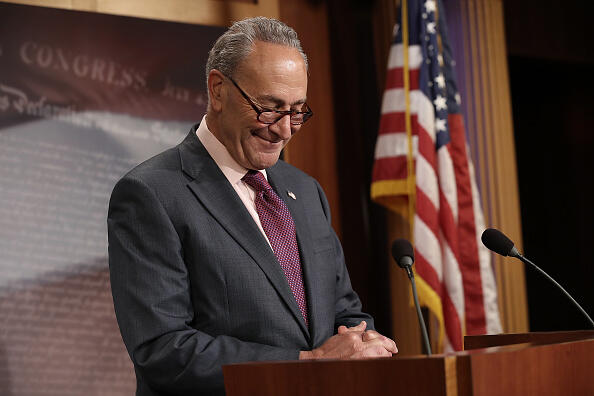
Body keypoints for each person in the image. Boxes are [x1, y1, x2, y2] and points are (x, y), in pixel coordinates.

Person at [108, 16, 397, 396]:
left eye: (297, 111)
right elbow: (163, 350)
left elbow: (344, 312)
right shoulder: (150, 194)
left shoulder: (305, 191)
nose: (284, 129)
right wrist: (306, 365)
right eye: (270, 108)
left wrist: (366, 342)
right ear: (218, 90)